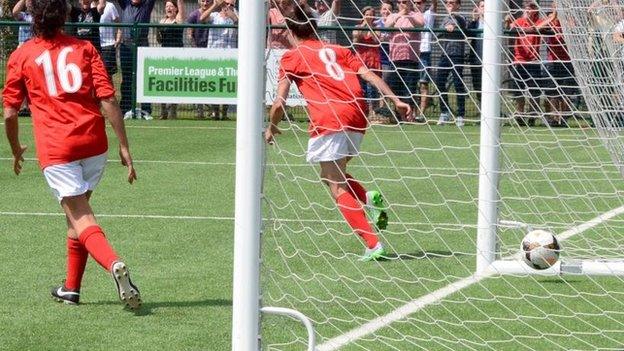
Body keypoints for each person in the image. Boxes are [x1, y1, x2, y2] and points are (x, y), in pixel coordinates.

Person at [3, 0, 141, 309]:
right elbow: (107, 98)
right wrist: (124, 146)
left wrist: (15, 148)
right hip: (94, 144)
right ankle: (71, 288)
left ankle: (114, 264)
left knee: (80, 215)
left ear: (33, 18)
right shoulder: (85, 49)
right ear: (64, 15)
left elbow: (10, 112)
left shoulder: (22, 55)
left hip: (58, 147)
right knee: (76, 216)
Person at [265, 7, 411, 261]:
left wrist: (272, 126)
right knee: (331, 174)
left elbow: (279, 103)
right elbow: (369, 76)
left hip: (330, 118)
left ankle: (373, 243)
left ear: (290, 31)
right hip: (358, 115)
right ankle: (367, 197)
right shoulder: (340, 50)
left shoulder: (292, 57)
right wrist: (396, 100)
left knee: (335, 185)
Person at [384, 0, 425, 123]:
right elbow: (387, 26)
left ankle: (410, 116)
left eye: (405, 1)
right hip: (395, 58)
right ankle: (398, 115)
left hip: (411, 59)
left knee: (410, 88)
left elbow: (421, 25)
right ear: (397, 4)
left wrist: (408, 15)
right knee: (395, 88)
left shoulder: (416, 14)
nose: (403, 3)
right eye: (400, 2)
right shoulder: (393, 16)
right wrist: (401, 14)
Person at [505, 1, 543, 127]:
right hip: (519, 61)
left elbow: (542, 25)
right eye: (526, 8)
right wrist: (507, 21)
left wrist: (554, 15)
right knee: (519, 90)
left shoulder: (538, 21)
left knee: (534, 90)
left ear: (536, 10)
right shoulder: (520, 21)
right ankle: (520, 114)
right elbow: (510, 26)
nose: (528, 10)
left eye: (531, 8)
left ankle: (532, 114)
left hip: (534, 62)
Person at [119, 0, 156, 119]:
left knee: (143, 79)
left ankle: (146, 110)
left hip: (141, 46)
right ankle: (126, 109)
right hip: (126, 46)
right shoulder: (126, 4)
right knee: (127, 79)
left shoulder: (146, 5)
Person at [539, 3, 575, 127]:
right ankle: (554, 118)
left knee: (567, 92)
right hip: (552, 62)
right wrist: (553, 17)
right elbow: (538, 28)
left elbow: (573, 28)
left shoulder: (568, 20)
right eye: (555, 7)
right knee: (552, 92)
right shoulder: (550, 21)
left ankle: (564, 118)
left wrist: (564, 17)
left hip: (566, 62)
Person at [203, 0, 238, 120]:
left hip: (230, 55)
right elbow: (202, 18)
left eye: (231, 4)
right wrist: (215, 5)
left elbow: (239, 23)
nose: (227, 7)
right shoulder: (214, 15)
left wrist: (231, 13)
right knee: (215, 84)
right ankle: (215, 112)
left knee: (227, 84)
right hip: (214, 55)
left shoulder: (236, 15)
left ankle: (224, 112)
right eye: (225, 4)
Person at [434, 0, 467, 126]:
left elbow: (464, 25)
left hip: (457, 55)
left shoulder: (462, 17)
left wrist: (455, 23)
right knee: (439, 82)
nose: (449, 4)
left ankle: (460, 115)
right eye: (447, 2)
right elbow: (437, 33)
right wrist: (445, 28)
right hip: (445, 55)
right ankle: (444, 112)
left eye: (452, 2)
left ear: (458, 5)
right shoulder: (444, 19)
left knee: (458, 84)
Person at [157, 0, 185, 120]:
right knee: (163, 83)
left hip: (176, 57)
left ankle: (173, 111)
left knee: (174, 84)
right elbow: (159, 39)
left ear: (176, 9)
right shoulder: (161, 21)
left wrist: (179, 2)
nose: (169, 8)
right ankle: (163, 111)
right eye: (167, 6)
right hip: (164, 56)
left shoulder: (178, 20)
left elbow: (181, 8)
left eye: (171, 6)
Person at [187, 0, 213, 119]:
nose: (205, 3)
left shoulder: (213, 14)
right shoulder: (193, 15)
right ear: (199, 2)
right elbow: (189, 34)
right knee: (198, 82)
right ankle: (199, 109)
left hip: (212, 51)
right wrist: (195, 49)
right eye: (203, 0)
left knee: (211, 81)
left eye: (208, 1)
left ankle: (213, 110)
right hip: (197, 51)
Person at [353, 6, 381, 112]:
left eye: (371, 15)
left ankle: (374, 111)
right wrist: (364, 25)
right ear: (363, 15)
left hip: (373, 59)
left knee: (373, 87)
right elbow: (355, 39)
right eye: (367, 14)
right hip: (361, 58)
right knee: (361, 86)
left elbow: (377, 40)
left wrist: (370, 27)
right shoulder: (358, 26)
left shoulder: (376, 28)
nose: (369, 16)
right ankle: (362, 110)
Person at [415, 0, 438, 122]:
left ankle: (421, 114)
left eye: (419, 2)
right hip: (410, 52)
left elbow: (435, 4)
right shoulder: (408, 15)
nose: (417, 5)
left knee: (423, 84)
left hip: (424, 52)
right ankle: (410, 114)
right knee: (411, 84)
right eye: (415, 2)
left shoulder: (428, 14)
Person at [467, 0, 484, 102]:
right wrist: (474, 18)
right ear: (478, 9)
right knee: (477, 85)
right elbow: (468, 34)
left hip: (489, 60)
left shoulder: (494, 23)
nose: (484, 9)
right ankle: (482, 107)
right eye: (482, 6)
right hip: (476, 59)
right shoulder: (475, 23)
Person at [99, 0, 121, 78]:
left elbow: (118, 24)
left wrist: (118, 38)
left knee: (107, 76)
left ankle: (109, 90)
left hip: (107, 46)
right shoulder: (90, 5)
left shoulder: (110, 6)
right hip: (95, 45)